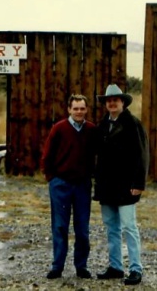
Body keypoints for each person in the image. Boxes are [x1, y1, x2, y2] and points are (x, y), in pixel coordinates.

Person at [94, 84, 149, 286]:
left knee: (129, 227)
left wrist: (138, 183)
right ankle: (115, 267)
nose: (112, 103)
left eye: (115, 100)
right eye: (109, 100)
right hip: (107, 186)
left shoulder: (133, 124)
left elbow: (142, 155)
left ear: (123, 102)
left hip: (126, 185)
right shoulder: (102, 125)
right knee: (111, 227)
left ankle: (135, 269)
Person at [40, 94, 96, 280]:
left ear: (86, 110)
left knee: (82, 228)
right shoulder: (59, 128)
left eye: (82, 108)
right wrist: (52, 178)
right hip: (61, 184)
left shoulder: (91, 130)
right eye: (76, 108)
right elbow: (47, 155)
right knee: (60, 226)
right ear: (69, 110)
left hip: (82, 185)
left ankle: (81, 266)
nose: (79, 112)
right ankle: (57, 266)